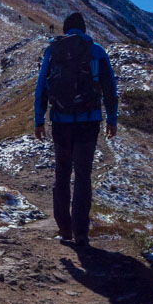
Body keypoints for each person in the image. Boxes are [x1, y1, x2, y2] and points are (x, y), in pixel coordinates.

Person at [34, 12, 118, 248]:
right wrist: (112, 119)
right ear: (84, 29)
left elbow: (41, 86)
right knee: (83, 176)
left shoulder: (53, 51)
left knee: (62, 175)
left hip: (61, 122)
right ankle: (81, 232)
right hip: (88, 123)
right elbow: (109, 88)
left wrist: (38, 119)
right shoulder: (97, 51)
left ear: (65, 30)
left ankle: (64, 229)